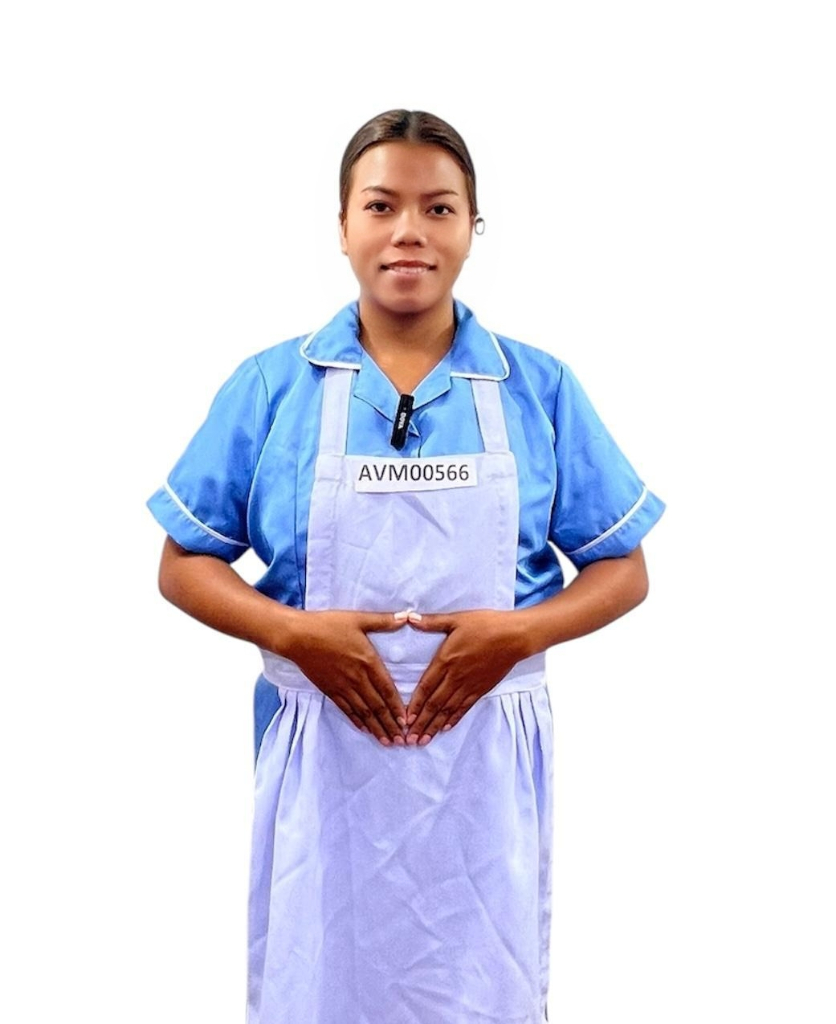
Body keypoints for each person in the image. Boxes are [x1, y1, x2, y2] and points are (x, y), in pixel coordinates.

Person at [148, 109, 665, 1024]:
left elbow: (624, 568)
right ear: (342, 225)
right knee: (318, 982)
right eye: (382, 205)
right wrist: (290, 632)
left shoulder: (536, 387)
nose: (409, 232)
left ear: (473, 226)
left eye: (439, 208)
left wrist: (520, 634)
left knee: (480, 990)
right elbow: (184, 561)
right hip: (322, 764)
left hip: (482, 770)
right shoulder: (272, 386)